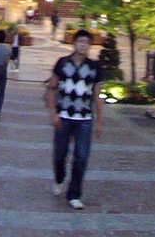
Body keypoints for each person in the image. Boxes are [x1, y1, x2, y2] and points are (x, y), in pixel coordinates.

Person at [43, 29, 104, 209]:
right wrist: (53, 113)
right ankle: (59, 177)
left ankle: (74, 194)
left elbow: (97, 95)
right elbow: (52, 88)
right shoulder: (63, 63)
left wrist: (100, 121)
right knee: (59, 154)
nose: (83, 45)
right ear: (74, 43)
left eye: (86, 42)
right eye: (80, 41)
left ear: (90, 46)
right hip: (64, 116)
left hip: (84, 118)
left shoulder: (95, 67)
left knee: (81, 157)